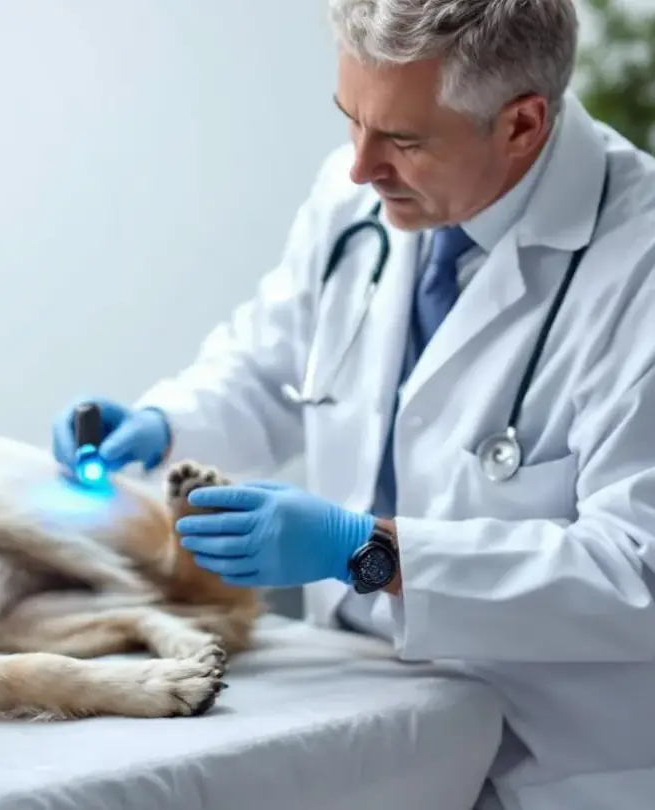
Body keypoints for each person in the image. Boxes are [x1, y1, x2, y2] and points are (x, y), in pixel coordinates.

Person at [50, 1, 655, 808]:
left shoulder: (639, 270)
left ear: (521, 124)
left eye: (403, 140)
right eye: (351, 120)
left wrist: (371, 553)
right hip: (372, 723)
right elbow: (272, 367)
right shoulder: (360, 200)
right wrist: (164, 424)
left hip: (557, 765)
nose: (361, 166)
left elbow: (635, 574)